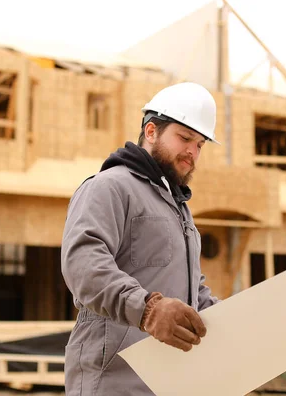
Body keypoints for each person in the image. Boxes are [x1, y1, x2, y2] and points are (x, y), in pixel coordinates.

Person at [61, 82, 221, 395]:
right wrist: (147, 309)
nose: (193, 151)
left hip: (166, 380)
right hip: (113, 380)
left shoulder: (180, 211)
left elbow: (192, 292)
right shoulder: (109, 187)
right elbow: (83, 264)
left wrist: (239, 324)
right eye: (185, 138)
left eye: (200, 144)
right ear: (151, 132)